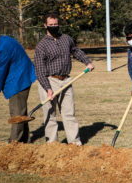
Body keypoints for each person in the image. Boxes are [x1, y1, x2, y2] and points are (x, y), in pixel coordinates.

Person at [33, 12, 94, 145]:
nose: (54, 27)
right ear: (45, 26)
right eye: (51, 25)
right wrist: (48, 88)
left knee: (69, 113)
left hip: (66, 80)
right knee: (50, 115)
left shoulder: (66, 39)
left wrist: (87, 62)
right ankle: (52, 144)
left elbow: (76, 51)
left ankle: (74, 142)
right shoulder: (41, 46)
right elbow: (40, 70)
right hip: (49, 81)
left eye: (56, 24)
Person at [0, 27, 36, 143]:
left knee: (17, 114)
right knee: (21, 112)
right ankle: (24, 141)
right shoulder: (5, 40)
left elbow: (1, 72)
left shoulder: (2, 48)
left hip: (18, 81)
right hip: (23, 77)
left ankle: (14, 143)